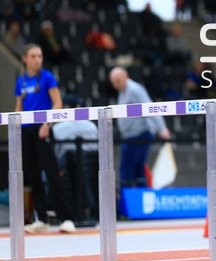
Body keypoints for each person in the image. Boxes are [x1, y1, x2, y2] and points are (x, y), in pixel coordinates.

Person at [14, 44, 76, 233]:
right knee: (33, 176)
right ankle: (42, 218)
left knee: (53, 173)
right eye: (33, 56)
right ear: (25, 58)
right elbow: (19, 106)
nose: (37, 60)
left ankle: (67, 218)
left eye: (40, 56)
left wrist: (47, 124)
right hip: (26, 130)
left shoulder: (47, 77)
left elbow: (58, 102)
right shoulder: (21, 80)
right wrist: (17, 126)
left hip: (43, 129)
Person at [109, 67, 171, 188]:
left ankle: (126, 201)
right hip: (131, 135)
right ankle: (140, 198)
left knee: (126, 170)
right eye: (113, 82)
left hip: (139, 134)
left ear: (126, 77)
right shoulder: (123, 91)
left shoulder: (134, 89)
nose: (116, 85)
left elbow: (150, 107)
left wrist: (162, 128)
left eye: (118, 81)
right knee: (138, 169)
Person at [52, 94, 99, 224]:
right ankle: (92, 210)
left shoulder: (57, 129)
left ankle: (63, 213)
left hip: (69, 173)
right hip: (93, 172)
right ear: (78, 107)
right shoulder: (91, 126)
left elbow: (56, 155)